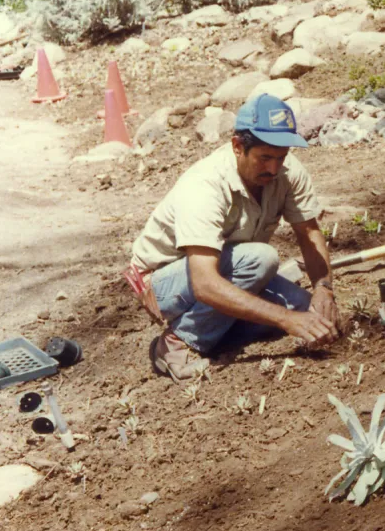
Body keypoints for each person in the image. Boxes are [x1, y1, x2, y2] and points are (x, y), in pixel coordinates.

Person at [126, 93, 345, 380]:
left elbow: (309, 232)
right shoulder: (205, 185)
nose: (274, 169)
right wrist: (285, 320)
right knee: (262, 261)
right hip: (164, 283)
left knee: (304, 308)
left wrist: (324, 289)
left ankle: (214, 333)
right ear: (237, 146)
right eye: (264, 158)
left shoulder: (287, 173)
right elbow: (204, 284)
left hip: (227, 269)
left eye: (281, 157)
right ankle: (176, 342)